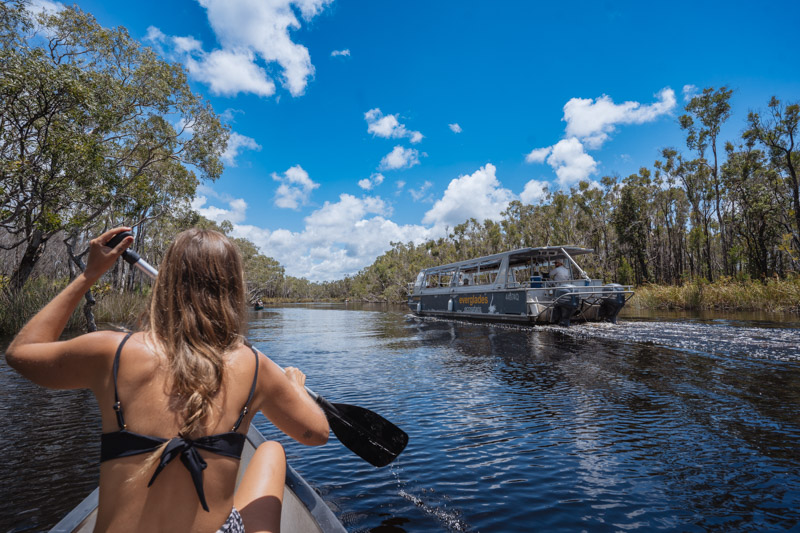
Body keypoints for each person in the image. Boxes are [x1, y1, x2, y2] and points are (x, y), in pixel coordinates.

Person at [6, 227, 329, 533]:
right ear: (234, 287)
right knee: (272, 448)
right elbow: (315, 434)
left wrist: (89, 274)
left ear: (167, 282)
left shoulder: (110, 350)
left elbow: (22, 353)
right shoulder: (254, 365)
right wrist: (295, 387)